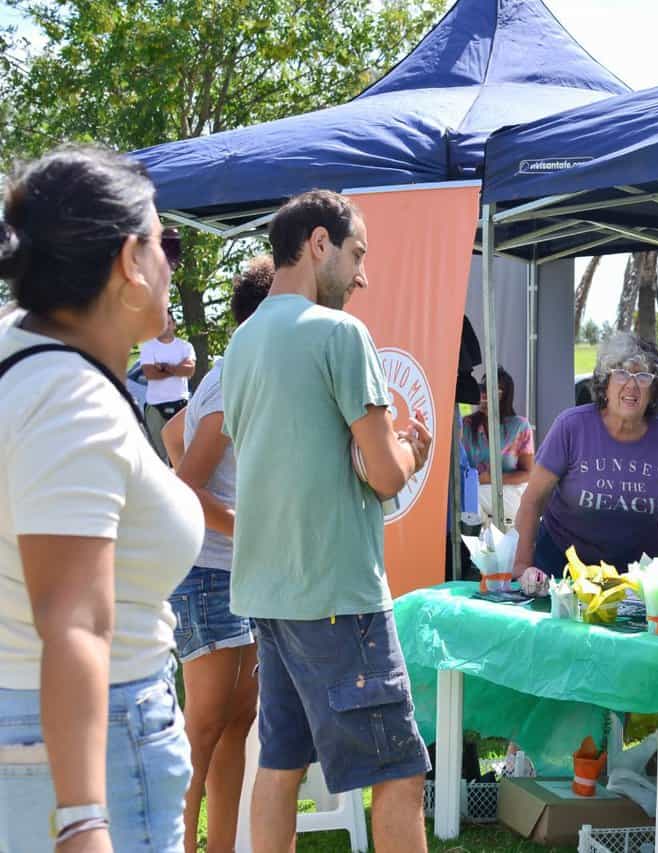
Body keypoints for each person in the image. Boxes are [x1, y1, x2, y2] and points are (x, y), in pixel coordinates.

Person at [0, 145, 204, 852]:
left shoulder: (21, 350)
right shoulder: (70, 400)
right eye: (164, 241)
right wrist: (84, 819)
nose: (170, 264)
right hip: (92, 744)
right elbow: (76, 621)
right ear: (127, 261)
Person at [220, 190, 432, 853]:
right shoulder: (342, 333)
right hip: (339, 595)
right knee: (399, 774)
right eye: (357, 254)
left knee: (280, 768)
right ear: (319, 244)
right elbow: (386, 474)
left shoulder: (242, 343)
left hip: (268, 597)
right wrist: (410, 446)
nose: (364, 275)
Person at [161, 256, 273, 853]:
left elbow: (173, 433)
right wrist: (240, 527)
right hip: (208, 573)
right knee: (202, 730)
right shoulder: (235, 378)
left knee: (237, 724)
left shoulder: (236, 372)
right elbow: (185, 479)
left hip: (237, 571)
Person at [513, 332, 658, 584]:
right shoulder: (571, 426)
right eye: (621, 374)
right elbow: (532, 501)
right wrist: (521, 568)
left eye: (642, 376)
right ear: (605, 383)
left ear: (654, 388)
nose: (632, 385)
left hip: (636, 578)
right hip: (561, 570)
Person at [461, 366, 534, 528]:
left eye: (494, 392)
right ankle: (487, 540)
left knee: (471, 498)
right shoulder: (467, 425)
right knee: (467, 497)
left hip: (512, 492)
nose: (484, 396)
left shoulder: (520, 426)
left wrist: (494, 479)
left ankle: (485, 540)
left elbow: (528, 473)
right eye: (482, 390)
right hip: (478, 489)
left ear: (505, 397)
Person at [140, 309, 196, 463]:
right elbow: (150, 373)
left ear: (174, 325)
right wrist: (177, 369)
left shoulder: (185, 347)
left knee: (184, 455)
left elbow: (189, 370)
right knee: (158, 456)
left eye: (169, 323)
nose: (166, 327)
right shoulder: (148, 347)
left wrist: (164, 367)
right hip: (156, 407)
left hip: (181, 405)